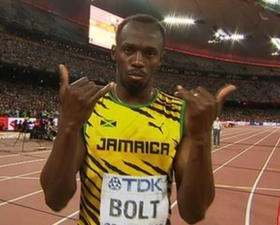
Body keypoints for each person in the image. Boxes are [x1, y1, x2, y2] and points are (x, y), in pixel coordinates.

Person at [40, 14, 236, 225]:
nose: (138, 61)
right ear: (115, 52)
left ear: (161, 58)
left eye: (149, 53)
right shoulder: (88, 108)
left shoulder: (180, 114)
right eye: (129, 50)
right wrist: (68, 126)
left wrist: (201, 138)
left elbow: (193, 212)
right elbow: (55, 199)